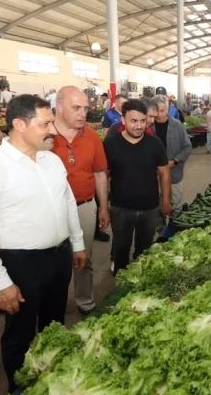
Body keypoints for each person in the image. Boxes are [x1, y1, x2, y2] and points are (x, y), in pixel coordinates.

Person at [0, 94, 87, 394]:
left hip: (59, 257)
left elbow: (67, 202)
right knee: (20, 330)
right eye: (45, 124)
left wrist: (78, 242)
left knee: (54, 321)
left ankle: (52, 378)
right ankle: (20, 391)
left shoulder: (51, 160)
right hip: (20, 263)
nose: (53, 131)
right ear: (19, 124)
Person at [52, 86, 110, 315]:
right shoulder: (43, 136)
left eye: (85, 108)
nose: (83, 113)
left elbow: (99, 173)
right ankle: (53, 306)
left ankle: (85, 301)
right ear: (58, 107)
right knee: (54, 262)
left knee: (84, 257)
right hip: (52, 211)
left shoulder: (92, 136)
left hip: (85, 207)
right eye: (76, 107)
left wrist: (103, 207)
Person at [104, 100, 171, 273]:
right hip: (121, 208)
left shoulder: (154, 143)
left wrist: (166, 201)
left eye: (142, 121)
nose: (139, 126)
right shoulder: (111, 143)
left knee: (145, 249)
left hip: (149, 208)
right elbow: (103, 176)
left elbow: (164, 173)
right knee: (121, 248)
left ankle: (139, 282)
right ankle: (119, 280)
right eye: (134, 121)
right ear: (123, 121)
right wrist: (103, 206)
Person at [152, 95, 192, 218]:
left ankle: (174, 228)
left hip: (174, 173)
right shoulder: (148, 127)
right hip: (154, 175)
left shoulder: (177, 125)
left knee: (175, 204)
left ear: (168, 109)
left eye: (163, 111)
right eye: (157, 111)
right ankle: (161, 230)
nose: (160, 114)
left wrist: (174, 161)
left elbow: (187, 147)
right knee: (156, 206)